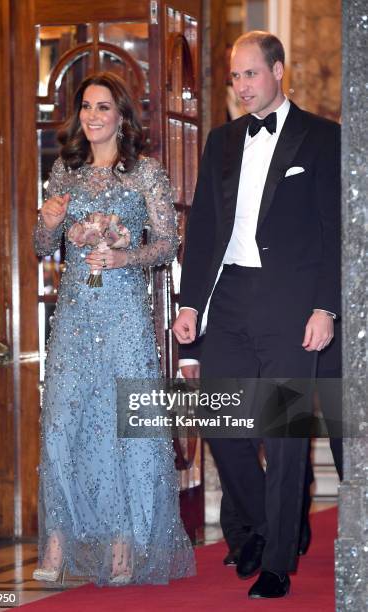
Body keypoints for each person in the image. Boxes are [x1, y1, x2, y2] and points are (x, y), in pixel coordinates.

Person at [173, 31, 340, 599]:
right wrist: (190, 303)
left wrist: (325, 306)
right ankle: (273, 527)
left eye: (250, 74)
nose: (242, 86)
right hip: (231, 299)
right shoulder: (220, 142)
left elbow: (335, 231)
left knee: (285, 431)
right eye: (235, 77)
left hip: (293, 306)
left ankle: (274, 563)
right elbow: (202, 233)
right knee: (221, 419)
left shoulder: (321, 138)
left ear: (278, 71)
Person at [33, 71, 195, 587]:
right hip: (76, 317)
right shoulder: (65, 171)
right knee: (63, 424)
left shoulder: (144, 172)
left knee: (122, 428)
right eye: (85, 107)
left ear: (122, 116)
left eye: (103, 107)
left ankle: (125, 545)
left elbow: (168, 243)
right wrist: (51, 222)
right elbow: (40, 247)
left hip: (124, 316)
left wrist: (124, 254)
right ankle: (56, 543)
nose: (92, 116)